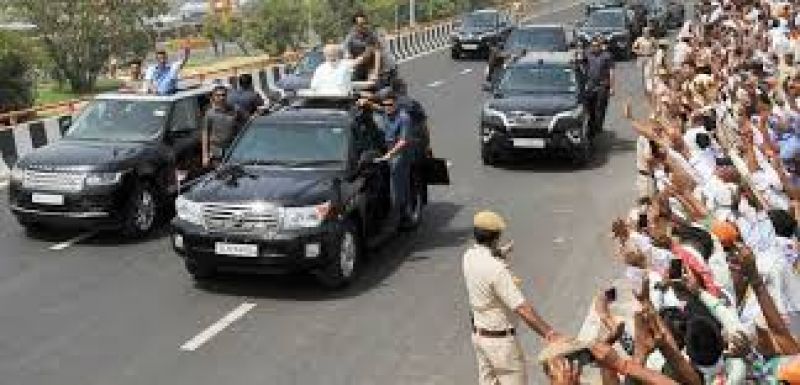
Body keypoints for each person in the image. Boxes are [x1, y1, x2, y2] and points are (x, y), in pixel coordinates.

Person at [463, 211, 564, 385]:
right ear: (496, 237)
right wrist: (549, 333)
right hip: (501, 345)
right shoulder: (497, 270)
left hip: (480, 338)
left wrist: (501, 252)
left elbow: (486, 258)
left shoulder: (468, 257)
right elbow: (522, 308)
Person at [377, 92, 413, 229]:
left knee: (397, 187)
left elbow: (403, 141)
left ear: (396, 104)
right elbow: (376, 107)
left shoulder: (404, 118)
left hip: (399, 153)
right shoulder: (385, 113)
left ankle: (402, 215)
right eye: (384, 105)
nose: (387, 107)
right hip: (387, 149)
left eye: (390, 105)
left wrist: (389, 154)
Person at [201, 85, 245, 168]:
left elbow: (248, 120)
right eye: (218, 95)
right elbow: (205, 134)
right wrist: (205, 156)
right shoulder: (209, 114)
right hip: (217, 151)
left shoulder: (235, 110)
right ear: (214, 97)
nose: (221, 97)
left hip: (233, 149)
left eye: (223, 95)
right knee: (220, 176)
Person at [582, 37, 615, 137]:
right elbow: (581, 65)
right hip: (590, 85)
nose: (595, 48)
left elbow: (611, 71)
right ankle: (591, 126)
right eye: (593, 46)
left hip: (602, 84)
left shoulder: (606, 56)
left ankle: (597, 127)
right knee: (589, 107)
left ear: (600, 46)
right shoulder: (587, 54)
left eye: (597, 46)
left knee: (600, 107)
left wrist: (612, 86)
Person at [342, 11, 381, 81]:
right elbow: (345, 49)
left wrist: (375, 72)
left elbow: (377, 53)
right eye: (360, 24)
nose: (363, 26)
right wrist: (347, 54)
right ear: (355, 25)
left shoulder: (371, 35)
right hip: (357, 67)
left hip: (370, 66)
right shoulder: (350, 36)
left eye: (365, 23)